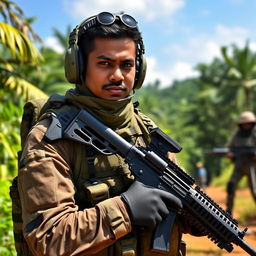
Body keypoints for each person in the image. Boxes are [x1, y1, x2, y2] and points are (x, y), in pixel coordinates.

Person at [17, 11, 199, 256]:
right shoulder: (52, 135)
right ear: (78, 67)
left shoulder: (146, 131)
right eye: (104, 64)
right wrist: (126, 208)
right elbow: (49, 239)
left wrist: (192, 215)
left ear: (139, 69)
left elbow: (177, 195)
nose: (117, 76)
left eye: (127, 65)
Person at [226, 111, 256, 215]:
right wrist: (230, 155)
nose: (246, 125)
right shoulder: (237, 134)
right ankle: (228, 213)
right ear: (241, 124)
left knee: (255, 190)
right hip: (239, 166)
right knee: (230, 186)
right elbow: (229, 148)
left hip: (252, 166)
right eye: (244, 123)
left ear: (252, 123)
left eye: (249, 123)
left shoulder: (254, 133)